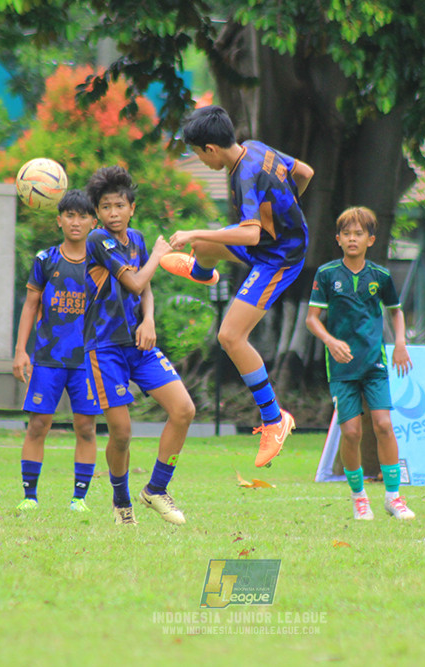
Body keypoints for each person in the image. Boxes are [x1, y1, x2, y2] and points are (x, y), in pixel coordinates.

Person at [162, 104, 314, 468]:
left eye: (198, 155)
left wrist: (194, 230)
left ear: (210, 149)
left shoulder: (245, 173)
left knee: (230, 337)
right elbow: (305, 172)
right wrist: (285, 207)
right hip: (272, 244)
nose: (201, 161)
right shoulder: (256, 147)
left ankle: (275, 419)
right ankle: (202, 272)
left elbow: (249, 233)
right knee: (207, 246)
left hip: (278, 259)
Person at [83, 166, 196, 526]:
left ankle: (156, 489)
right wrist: (159, 256)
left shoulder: (138, 239)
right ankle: (121, 504)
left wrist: (149, 320)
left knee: (184, 409)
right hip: (105, 348)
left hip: (138, 343)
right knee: (122, 433)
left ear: (132, 207)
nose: (112, 213)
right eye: (105, 207)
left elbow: (145, 290)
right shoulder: (97, 240)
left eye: (119, 205)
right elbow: (134, 281)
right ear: (98, 212)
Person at [305, 206, 415, 521]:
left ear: (370, 239)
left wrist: (400, 344)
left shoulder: (380, 276)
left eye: (359, 234)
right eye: (347, 234)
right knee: (351, 432)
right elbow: (312, 320)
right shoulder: (327, 274)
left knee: (383, 424)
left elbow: (395, 311)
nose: (353, 239)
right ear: (338, 239)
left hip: (374, 364)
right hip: (341, 369)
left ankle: (394, 498)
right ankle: (359, 498)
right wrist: (331, 341)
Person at [12, 189, 101, 513]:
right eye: (69, 215)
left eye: (82, 216)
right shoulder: (45, 260)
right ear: (59, 219)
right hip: (48, 358)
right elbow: (30, 304)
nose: (75, 222)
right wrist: (21, 351)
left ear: (94, 221)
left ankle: (79, 499)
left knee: (87, 427)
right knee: (38, 424)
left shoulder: (102, 262)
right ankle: (29, 496)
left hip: (88, 360)